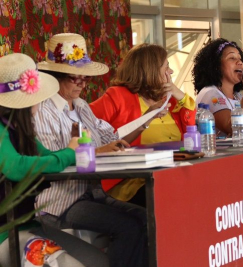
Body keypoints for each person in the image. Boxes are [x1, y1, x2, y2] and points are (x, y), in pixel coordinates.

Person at [34, 33, 150, 267]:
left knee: (146, 219)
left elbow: (111, 137)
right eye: (74, 79)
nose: (82, 84)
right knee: (128, 227)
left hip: (92, 193)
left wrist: (145, 120)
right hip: (61, 201)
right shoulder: (43, 111)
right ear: (55, 77)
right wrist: (100, 150)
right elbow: (57, 157)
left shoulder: (82, 106)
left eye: (84, 79)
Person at [0, 53, 108, 267]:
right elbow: (16, 167)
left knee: (100, 262)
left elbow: (47, 156)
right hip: (4, 234)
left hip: (25, 225)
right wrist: (69, 152)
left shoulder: (22, 132)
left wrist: (69, 151)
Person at [89, 43, 196, 206]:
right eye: (166, 66)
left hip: (172, 175)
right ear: (151, 70)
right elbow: (85, 123)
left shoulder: (170, 100)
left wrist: (179, 94)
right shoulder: (118, 95)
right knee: (175, 197)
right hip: (133, 181)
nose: (171, 71)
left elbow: (194, 128)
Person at [193, 38, 243, 135]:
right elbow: (233, 129)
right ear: (216, 65)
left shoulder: (237, 96)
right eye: (232, 58)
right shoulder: (210, 93)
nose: (240, 62)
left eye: (240, 59)